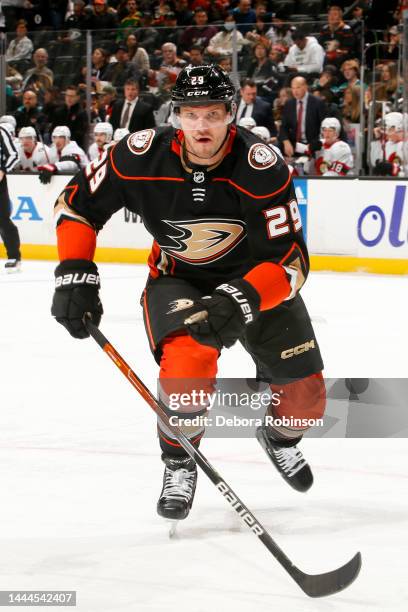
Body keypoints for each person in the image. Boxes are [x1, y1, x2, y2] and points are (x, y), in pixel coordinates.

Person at [50, 65, 326, 521]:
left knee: (307, 401)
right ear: (175, 115)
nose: (202, 126)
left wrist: (243, 297)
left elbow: (292, 260)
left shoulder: (262, 167)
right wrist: (75, 271)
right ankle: (179, 459)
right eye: (191, 114)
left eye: (213, 114)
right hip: (179, 278)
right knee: (186, 370)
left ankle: (279, 438)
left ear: (231, 115)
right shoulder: (138, 156)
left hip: (256, 282)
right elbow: (76, 206)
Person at [279, 76, 327, 159]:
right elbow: (283, 127)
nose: (295, 91)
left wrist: (315, 143)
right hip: (294, 143)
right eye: (293, 88)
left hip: (312, 143)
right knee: (276, 147)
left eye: (298, 87)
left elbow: (324, 126)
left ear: (305, 87)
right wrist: (286, 141)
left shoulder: (317, 103)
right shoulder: (289, 104)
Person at [0, 122, 21, 271]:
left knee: (2, 219)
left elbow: (13, 155)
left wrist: (2, 170)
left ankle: (14, 256)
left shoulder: (1, 131)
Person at [52, 85, 89, 150]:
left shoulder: (81, 113)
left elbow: (79, 134)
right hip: (57, 145)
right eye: (67, 95)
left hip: (74, 147)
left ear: (77, 97)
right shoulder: (58, 112)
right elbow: (53, 129)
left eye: (72, 96)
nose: (69, 98)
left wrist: (67, 143)